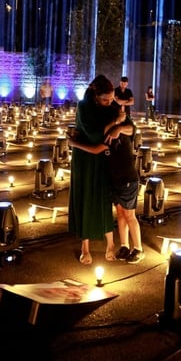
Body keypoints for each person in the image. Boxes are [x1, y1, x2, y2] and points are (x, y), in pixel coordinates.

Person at [68, 102, 144, 264]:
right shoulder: (108, 132)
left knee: (129, 215)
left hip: (127, 179)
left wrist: (74, 144)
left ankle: (138, 249)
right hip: (115, 180)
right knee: (120, 214)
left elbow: (96, 149)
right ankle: (124, 245)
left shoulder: (115, 134)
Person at [68, 75, 117, 265]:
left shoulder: (109, 106)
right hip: (85, 159)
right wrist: (114, 123)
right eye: (105, 99)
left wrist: (120, 124)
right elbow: (95, 134)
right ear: (96, 96)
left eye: (111, 99)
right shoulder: (84, 106)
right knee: (86, 197)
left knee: (104, 197)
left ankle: (110, 244)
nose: (109, 103)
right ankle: (85, 247)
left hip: (103, 158)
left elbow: (129, 124)